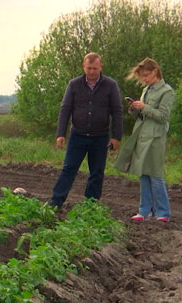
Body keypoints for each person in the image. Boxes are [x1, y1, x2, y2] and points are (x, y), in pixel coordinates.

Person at [49, 52, 123, 209]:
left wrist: (117, 137)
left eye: (95, 68)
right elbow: (65, 109)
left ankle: (90, 206)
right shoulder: (73, 85)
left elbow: (117, 111)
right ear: (84, 67)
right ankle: (55, 202)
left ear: (100, 67)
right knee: (69, 169)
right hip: (78, 136)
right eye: (89, 68)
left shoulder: (111, 85)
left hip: (100, 137)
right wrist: (61, 134)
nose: (91, 72)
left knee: (96, 173)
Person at [114, 57, 174, 222]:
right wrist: (135, 109)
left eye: (146, 75)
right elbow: (143, 115)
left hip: (155, 138)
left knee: (155, 174)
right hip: (142, 135)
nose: (144, 79)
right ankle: (145, 210)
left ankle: (163, 212)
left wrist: (144, 107)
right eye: (142, 76)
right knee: (142, 174)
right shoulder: (147, 90)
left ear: (155, 71)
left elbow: (163, 116)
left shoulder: (167, 91)